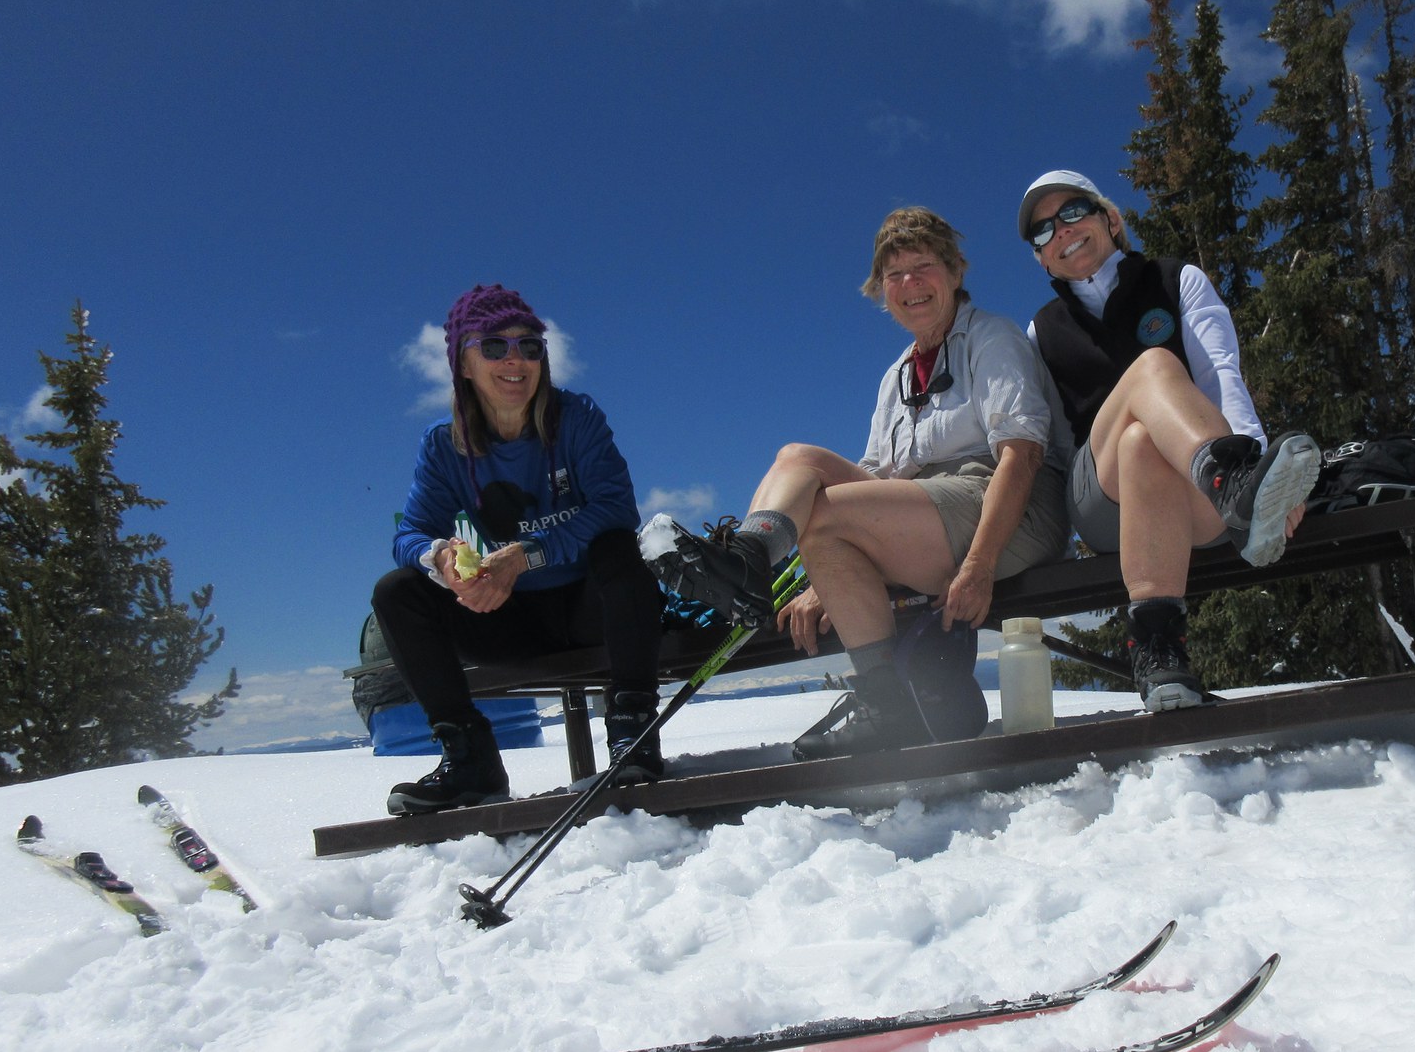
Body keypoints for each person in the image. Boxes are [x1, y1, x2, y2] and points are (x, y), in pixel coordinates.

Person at [659, 206, 1071, 755]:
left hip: (1008, 512)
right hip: (927, 514)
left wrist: (980, 565)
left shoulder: (990, 339)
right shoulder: (897, 375)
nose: (909, 284)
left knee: (825, 515)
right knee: (797, 458)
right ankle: (754, 561)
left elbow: (1021, 456)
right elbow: (873, 479)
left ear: (954, 273)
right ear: (881, 290)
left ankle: (753, 568)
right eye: (894, 275)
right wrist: (820, 580)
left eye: (923, 266)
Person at [1017, 169, 1320, 712]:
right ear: (1040, 259)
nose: (1059, 233)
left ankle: (1160, 652)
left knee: (1142, 443)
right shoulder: (1043, 331)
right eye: (1041, 233)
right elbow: (1055, 444)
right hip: (1102, 501)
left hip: (1192, 499)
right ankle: (1235, 480)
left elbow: (1221, 375)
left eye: (1071, 213)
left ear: (1111, 218)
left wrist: (1267, 475)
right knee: (1152, 368)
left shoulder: (1174, 279)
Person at [374, 283, 667, 814]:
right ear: (463, 364)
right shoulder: (444, 446)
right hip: (507, 622)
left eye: (529, 346)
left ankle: (632, 735)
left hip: (589, 608)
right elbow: (408, 534)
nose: (515, 359)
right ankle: (470, 761)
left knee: (617, 547)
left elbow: (616, 507)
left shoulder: (575, 418)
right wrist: (441, 559)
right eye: (494, 346)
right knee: (398, 592)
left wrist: (525, 554)